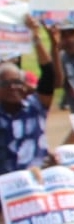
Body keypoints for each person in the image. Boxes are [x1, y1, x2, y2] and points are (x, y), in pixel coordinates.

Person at [0, 30, 54, 175]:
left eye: (17, 82)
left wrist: (36, 40)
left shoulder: (36, 106)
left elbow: (49, 74)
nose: (12, 87)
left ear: (26, 86)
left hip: (39, 181)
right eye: (5, 83)